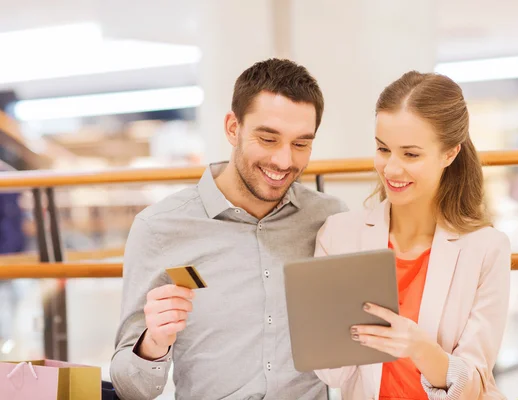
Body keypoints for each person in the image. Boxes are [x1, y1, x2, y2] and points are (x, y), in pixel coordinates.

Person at [110, 58, 347, 400]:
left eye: (300, 144)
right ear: (233, 128)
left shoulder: (330, 220)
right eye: (268, 139)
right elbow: (131, 389)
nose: (284, 161)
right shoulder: (160, 228)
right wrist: (153, 344)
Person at [314, 71, 511, 400]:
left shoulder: (486, 249)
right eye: (382, 149)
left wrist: (420, 348)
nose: (391, 169)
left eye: (411, 154)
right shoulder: (339, 236)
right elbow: (331, 373)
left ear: (449, 153)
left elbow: (474, 385)